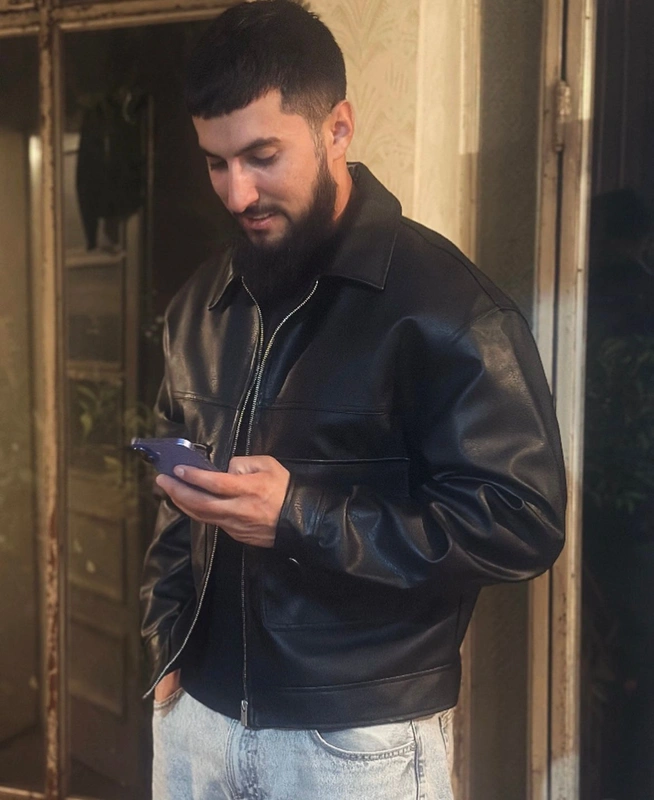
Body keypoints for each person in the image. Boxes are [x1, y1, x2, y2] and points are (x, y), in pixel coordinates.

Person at [140, 2, 566, 798]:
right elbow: (175, 503)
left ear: (337, 128)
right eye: (216, 163)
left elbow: (522, 522)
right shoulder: (200, 302)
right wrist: (166, 643)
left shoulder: (447, 305)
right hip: (195, 723)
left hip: (352, 744)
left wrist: (300, 516)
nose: (237, 193)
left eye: (262, 156)